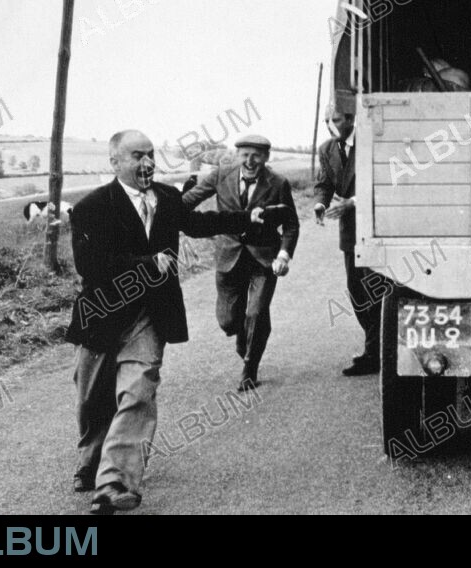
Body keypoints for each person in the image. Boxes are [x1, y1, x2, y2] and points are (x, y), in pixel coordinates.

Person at [67, 129, 278, 514]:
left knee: (138, 392)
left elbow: (199, 224)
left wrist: (248, 218)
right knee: (92, 397)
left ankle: (114, 484)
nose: (147, 163)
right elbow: (90, 265)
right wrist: (144, 264)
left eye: (151, 155)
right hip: (102, 315)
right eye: (136, 156)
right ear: (114, 162)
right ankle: (91, 460)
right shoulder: (90, 208)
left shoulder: (165, 197)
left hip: (150, 315)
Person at [182, 134, 300, 391]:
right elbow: (188, 200)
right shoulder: (221, 175)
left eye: (256, 155)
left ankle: (250, 367)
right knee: (227, 320)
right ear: (236, 156)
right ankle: (242, 335)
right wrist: (167, 207)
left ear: (266, 158)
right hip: (229, 256)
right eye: (245, 154)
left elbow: (291, 224)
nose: (250, 160)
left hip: (263, 258)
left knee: (256, 313)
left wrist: (283, 255)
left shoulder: (278, 183)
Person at [314, 109, 382, 376]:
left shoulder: (373, 142)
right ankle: (375, 347)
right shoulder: (326, 148)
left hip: (376, 226)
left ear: (351, 119)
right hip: (350, 232)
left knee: (375, 289)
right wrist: (320, 203)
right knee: (356, 291)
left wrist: (352, 203)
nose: (329, 125)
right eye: (326, 121)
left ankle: (374, 353)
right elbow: (324, 183)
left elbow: (385, 181)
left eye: (335, 120)